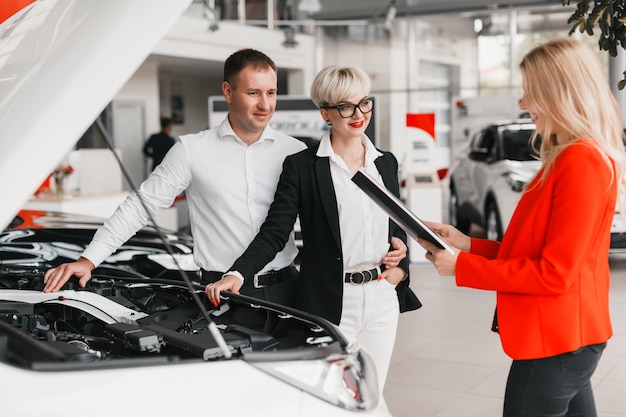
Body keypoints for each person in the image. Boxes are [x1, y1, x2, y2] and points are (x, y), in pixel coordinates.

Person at [418, 37, 626, 417]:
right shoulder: (568, 157)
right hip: (569, 337)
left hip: (559, 341)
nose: (523, 103)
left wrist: (460, 268)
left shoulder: (581, 162)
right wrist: (467, 245)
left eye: (532, 92)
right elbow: (537, 254)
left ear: (560, 94)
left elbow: (554, 274)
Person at [205, 65, 421, 402]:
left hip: (381, 297)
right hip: (332, 299)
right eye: (345, 106)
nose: (358, 114)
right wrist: (238, 272)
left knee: (372, 396)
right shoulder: (303, 166)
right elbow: (276, 231)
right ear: (324, 112)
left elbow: (397, 223)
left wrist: (400, 260)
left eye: (364, 103)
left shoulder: (385, 163)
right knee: (333, 398)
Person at [42, 48, 312, 306]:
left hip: (287, 289)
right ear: (228, 92)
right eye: (253, 92)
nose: (265, 104)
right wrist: (88, 260)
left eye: (271, 92)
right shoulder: (191, 150)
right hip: (222, 295)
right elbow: (141, 206)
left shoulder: (295, 151)